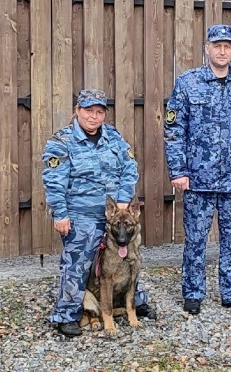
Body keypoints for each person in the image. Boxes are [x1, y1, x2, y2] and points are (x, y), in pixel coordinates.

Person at [164, 24, 231, 315]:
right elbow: (174, 130)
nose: (222, 51)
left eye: (227, 46)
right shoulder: (188, 83)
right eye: (217, 45)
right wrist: (178, 171)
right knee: (196, 239)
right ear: (206, 48)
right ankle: (194, 292)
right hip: (198, 178)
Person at [42, 89, 156, 338]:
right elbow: (54, 182)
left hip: (117, 214)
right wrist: (60, 214)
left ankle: (135, 302)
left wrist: (125, 199)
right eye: (88, 111)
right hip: (81, 215)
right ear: (77, 111)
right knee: (78, 265)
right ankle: (67, 314)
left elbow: (129, 167)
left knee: (129, 259)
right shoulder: (61, 142)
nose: (93, 117)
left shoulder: (113, 137)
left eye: (99, 112)